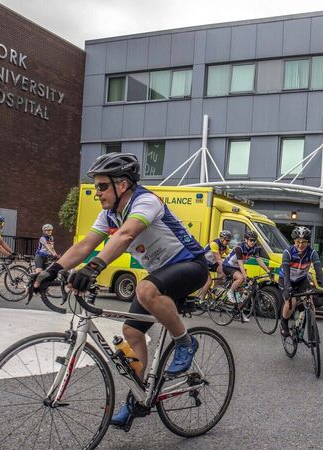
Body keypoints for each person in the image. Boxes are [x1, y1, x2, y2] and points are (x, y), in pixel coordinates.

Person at [32, 153, 209, 428]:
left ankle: (186, 342)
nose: (97, 193)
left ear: (122, 184)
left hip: (191, 265)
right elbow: (83, 246)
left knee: (145, 289)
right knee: (131, 332)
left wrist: (93, 269)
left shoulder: (146, 201)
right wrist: (50, 271)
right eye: (96, 187)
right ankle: (139, 400)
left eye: (102, 186)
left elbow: (125, 235)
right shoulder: (109, 215)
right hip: (161, 273)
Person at [279, 226, 323, 337]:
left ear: (308, 242)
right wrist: (287, 287)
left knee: (309, 300)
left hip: (301, 280)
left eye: (304, 242)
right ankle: (284, 323)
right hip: (286, 279)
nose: (301, 245)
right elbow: (286, 273)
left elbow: (318, 270)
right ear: (294, 241)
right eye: (298, 242)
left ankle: (311, 329)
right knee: (292, 302)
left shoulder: (312, 253)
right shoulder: (288, 252)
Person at [221, 229, 272, 322]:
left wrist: (268, 271)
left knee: (243, 293)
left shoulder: (254, 248)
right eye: (251, 240)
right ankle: (230, 292)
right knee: (241, 278)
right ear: (246, 240)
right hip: (228, 266)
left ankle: (238, 312)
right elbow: (241, 264)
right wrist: (245, 277)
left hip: (237, 267)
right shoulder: (239, 248)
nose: (253, 242)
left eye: (254, 240)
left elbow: (260, 261)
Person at [198, 230, 232, 301]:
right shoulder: (214, 244)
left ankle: (215, 287)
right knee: (208, 282)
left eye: (229, 241)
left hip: (212, 263)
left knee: (224, 272)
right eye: (227, 240)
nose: (228, 242)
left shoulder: (225, 247)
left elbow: (231, 257)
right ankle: (200, 300)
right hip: (203, 263)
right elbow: (219, 259)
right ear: (222, 239)